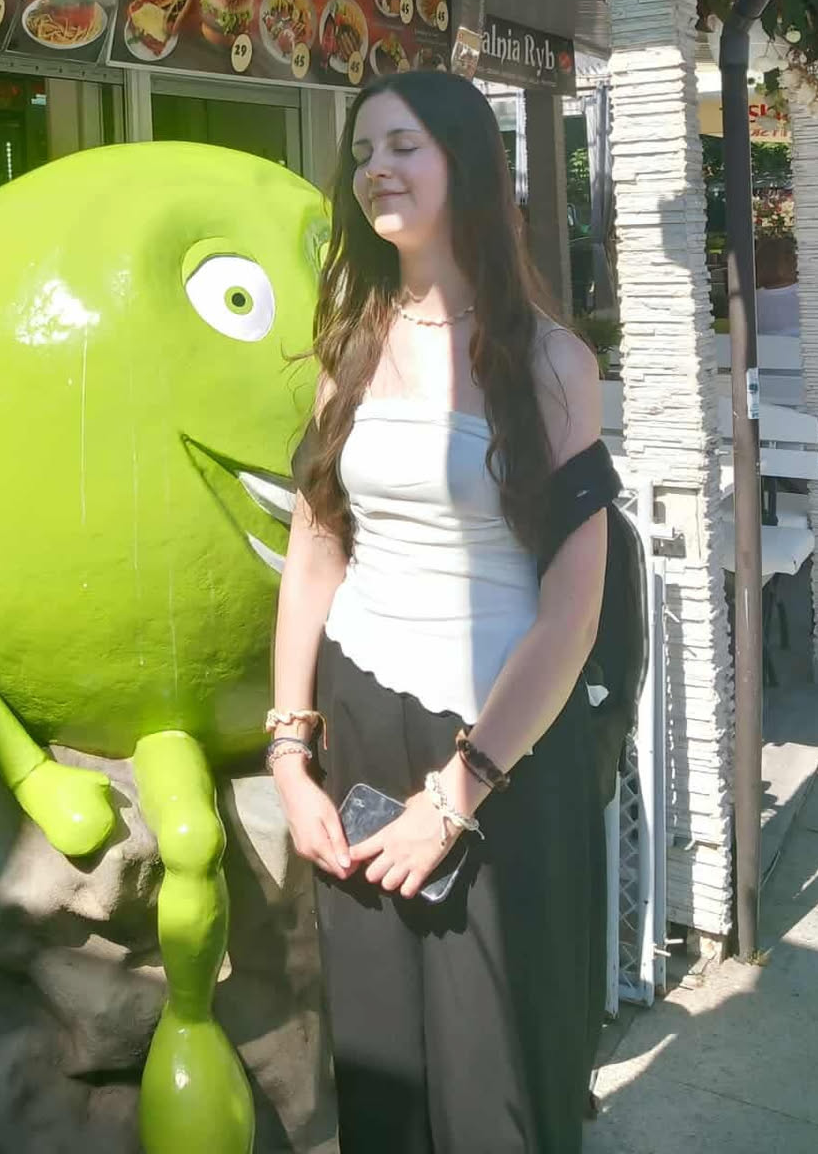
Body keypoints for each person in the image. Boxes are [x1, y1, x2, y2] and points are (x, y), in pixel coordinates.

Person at [270, 73, 610, 1152]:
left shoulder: (552, 363)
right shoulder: (350, 346)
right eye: (362, 151)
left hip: (502, 746)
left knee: (493, 1071)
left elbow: (572, 614)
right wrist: (289, 752)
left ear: (464, 161)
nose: (375, 168)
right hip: (363, 722)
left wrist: (456, 798)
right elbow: (316, 548)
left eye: (403, 144)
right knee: (381, 1060)